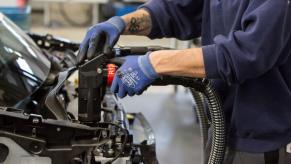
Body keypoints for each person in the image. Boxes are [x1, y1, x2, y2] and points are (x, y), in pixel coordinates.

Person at [77, 0, 291, 163]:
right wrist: (121, 22)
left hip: (260, 138)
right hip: (221, 126)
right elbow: (178, 10)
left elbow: (246, 54)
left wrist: (153, 64)